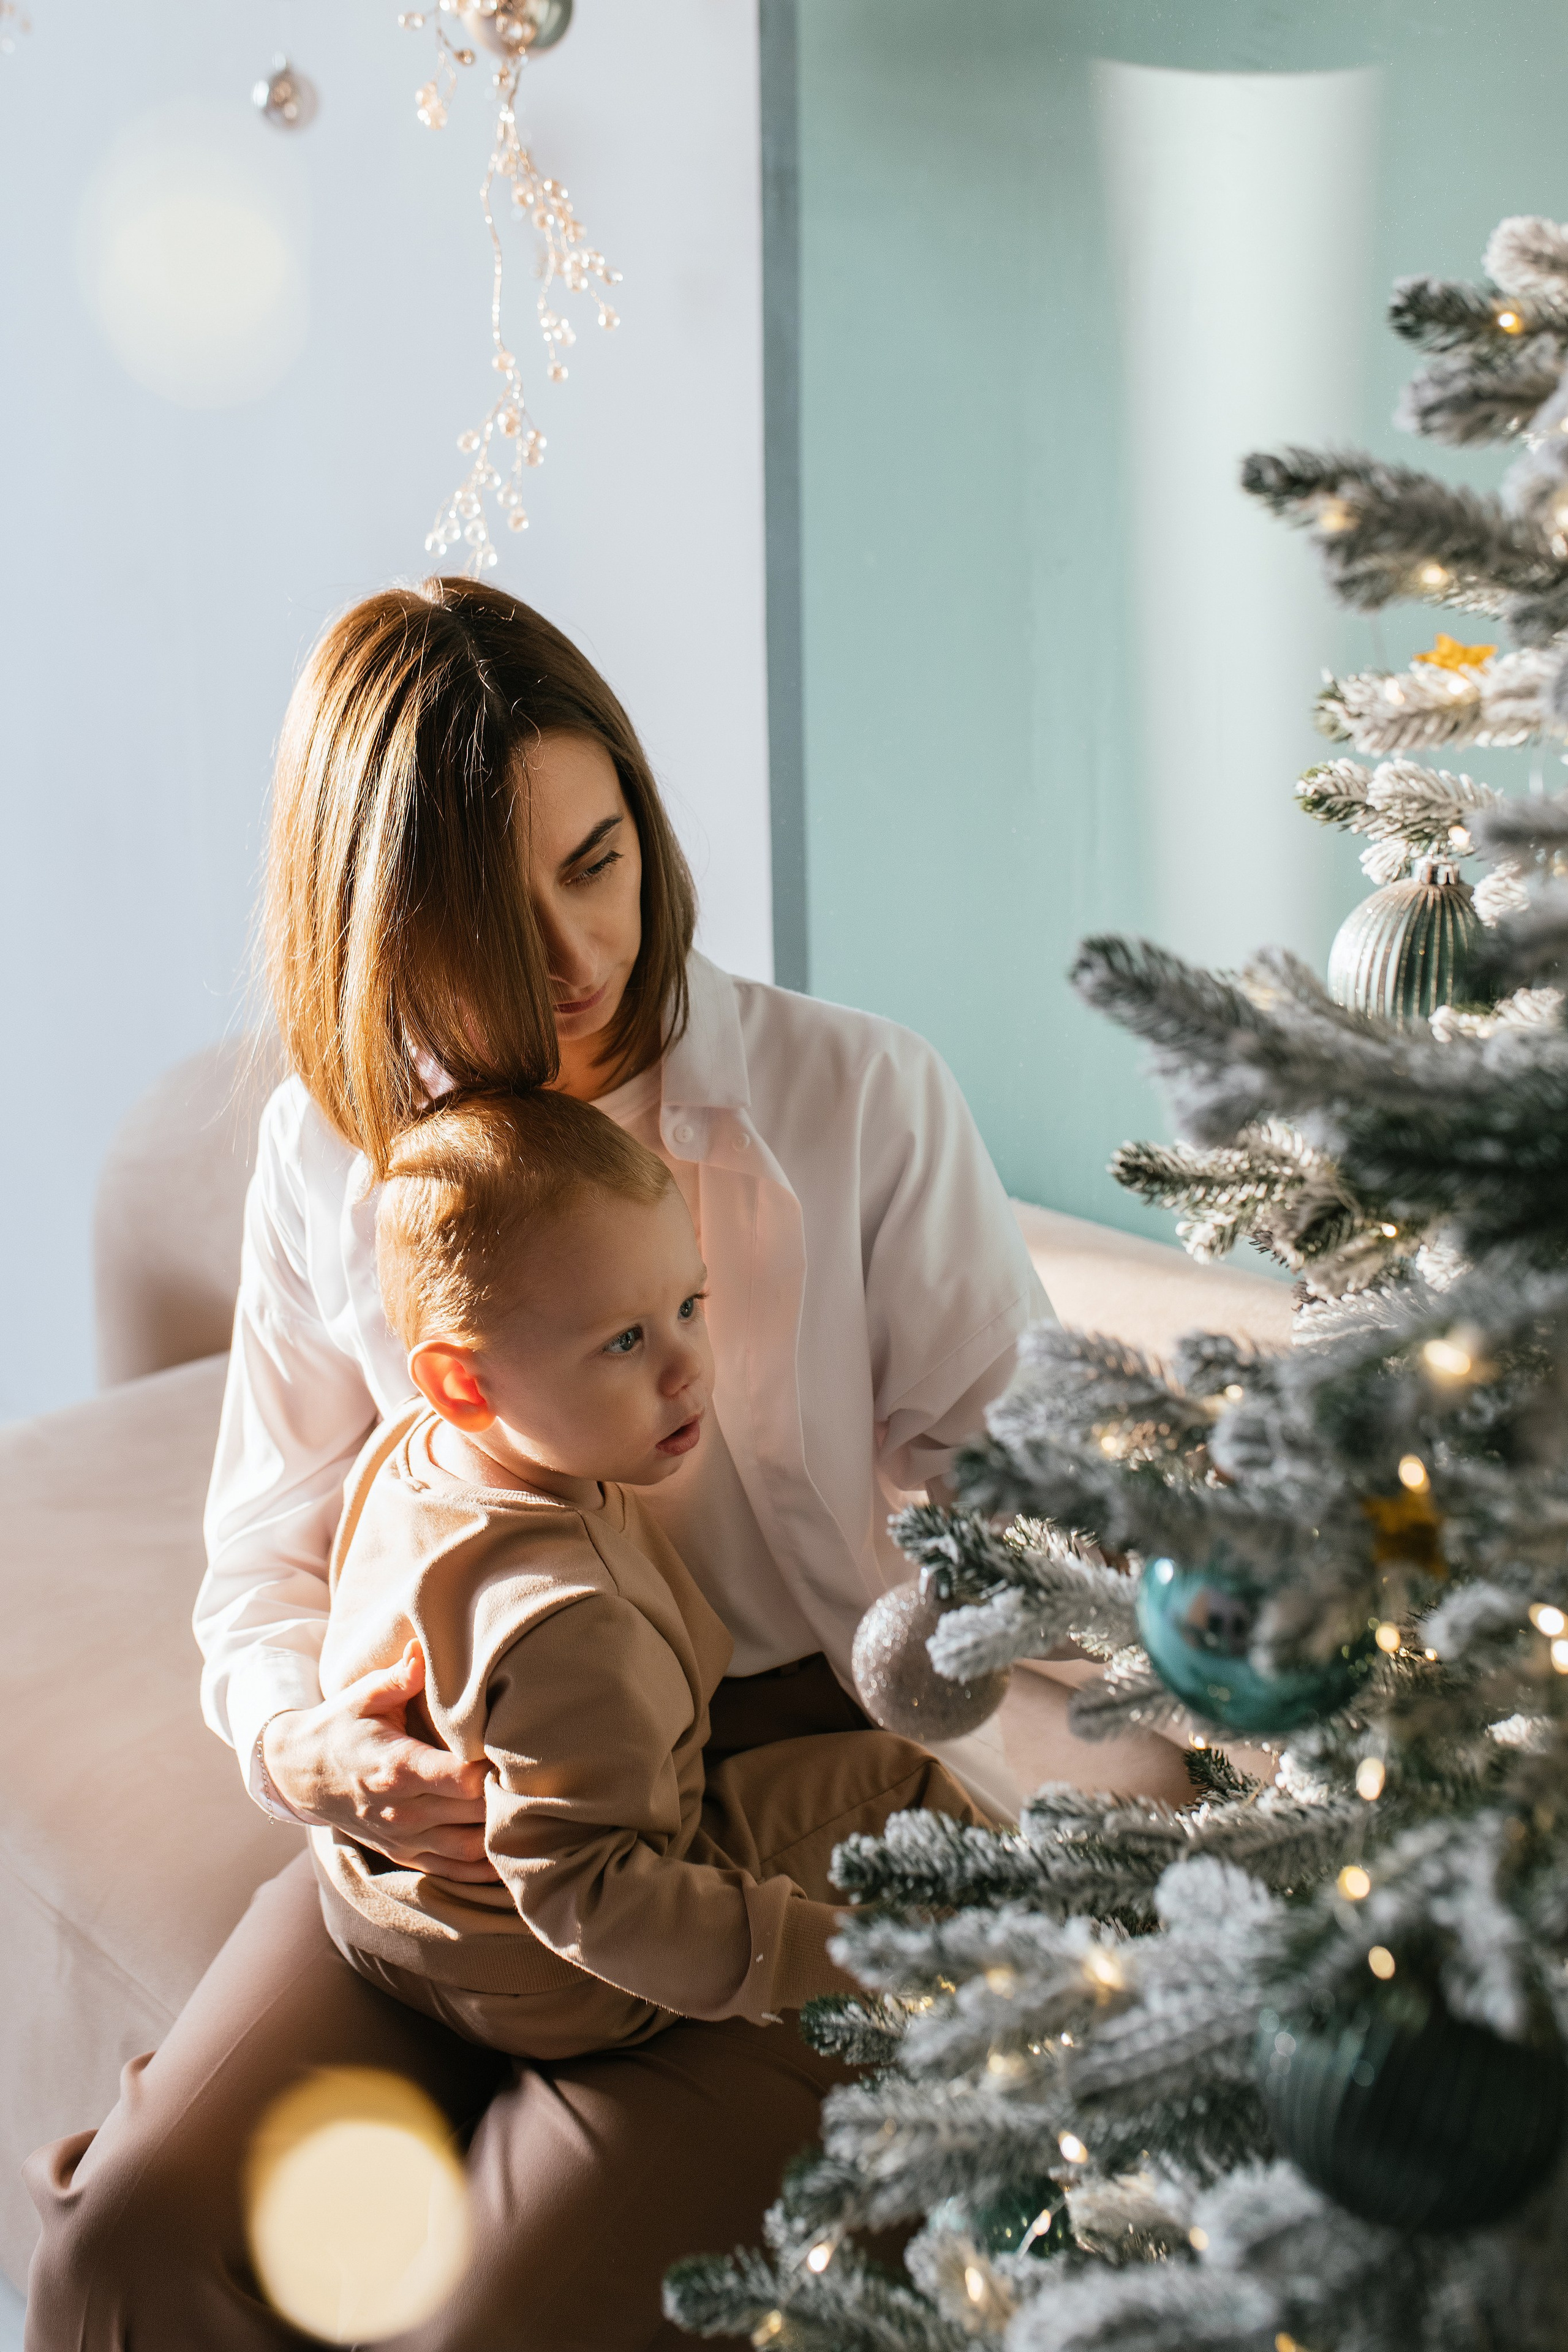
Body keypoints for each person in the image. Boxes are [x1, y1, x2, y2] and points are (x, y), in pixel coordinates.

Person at [24, 577, 1049, 2352]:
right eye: (491, 918)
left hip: (765, 1814)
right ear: (374, 930)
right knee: (115, 2261)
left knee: (490, 2320)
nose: (576, 959)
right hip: (448, 1828)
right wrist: (311, 1744)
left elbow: (1050, 1505)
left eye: (599, 861)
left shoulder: (855, 1099)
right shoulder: (329, 1152)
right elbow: (260, 1552)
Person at [318, 1085, 987, 2056]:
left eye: (689, 1306)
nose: (687, 1371)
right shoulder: (569, 1622)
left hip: (376, 1905)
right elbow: (593, 1898)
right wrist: (837, 1956)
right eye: (625, 1341)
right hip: (550, 1977)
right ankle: (1030, 1969)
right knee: (902, 1785)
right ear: (463, 1383)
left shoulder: (406, 1453)